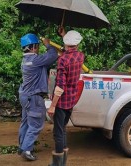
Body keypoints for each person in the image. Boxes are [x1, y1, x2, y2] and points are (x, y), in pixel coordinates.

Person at [18, 33, 58, 161]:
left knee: (25, 122)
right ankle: (27, 150)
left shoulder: (25, 61)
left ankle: (22, 146)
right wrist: (48, 44)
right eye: (38, 46)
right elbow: (52, 55)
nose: (39, 48)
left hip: (25, 96)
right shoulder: (35, 60)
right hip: (34, 97)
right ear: (32, 47)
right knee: (35, 124)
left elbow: (44, 64)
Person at [47, 28, 84, 166]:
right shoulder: (80, 56)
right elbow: (70, 51)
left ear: (66, 44)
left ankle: (58, 163)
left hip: (62, 102)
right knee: (63, 128)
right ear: (77, 44)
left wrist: (52, 106)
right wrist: (64, 35)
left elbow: (60, 86)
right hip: (71, 100)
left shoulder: (63, 60)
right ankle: (63, 161)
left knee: (58, 132)